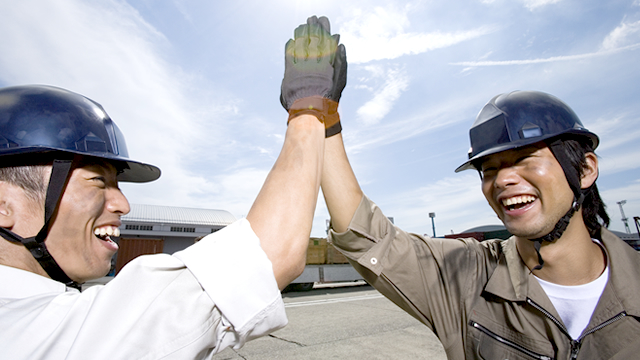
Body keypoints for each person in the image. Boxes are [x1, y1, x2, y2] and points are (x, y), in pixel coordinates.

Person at [0, 15, 344, 358]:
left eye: (117, 184)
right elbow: (269, 255)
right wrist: (309, 106)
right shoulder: (38, 333)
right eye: (97, 180)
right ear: (3, 205)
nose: (122, 203)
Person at [308, 18, 640, 360]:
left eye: (526, 158)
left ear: (585, 170)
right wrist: (324, 117)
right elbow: (367, 237)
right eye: (489, 169)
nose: (503, 179)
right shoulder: (468, 276)